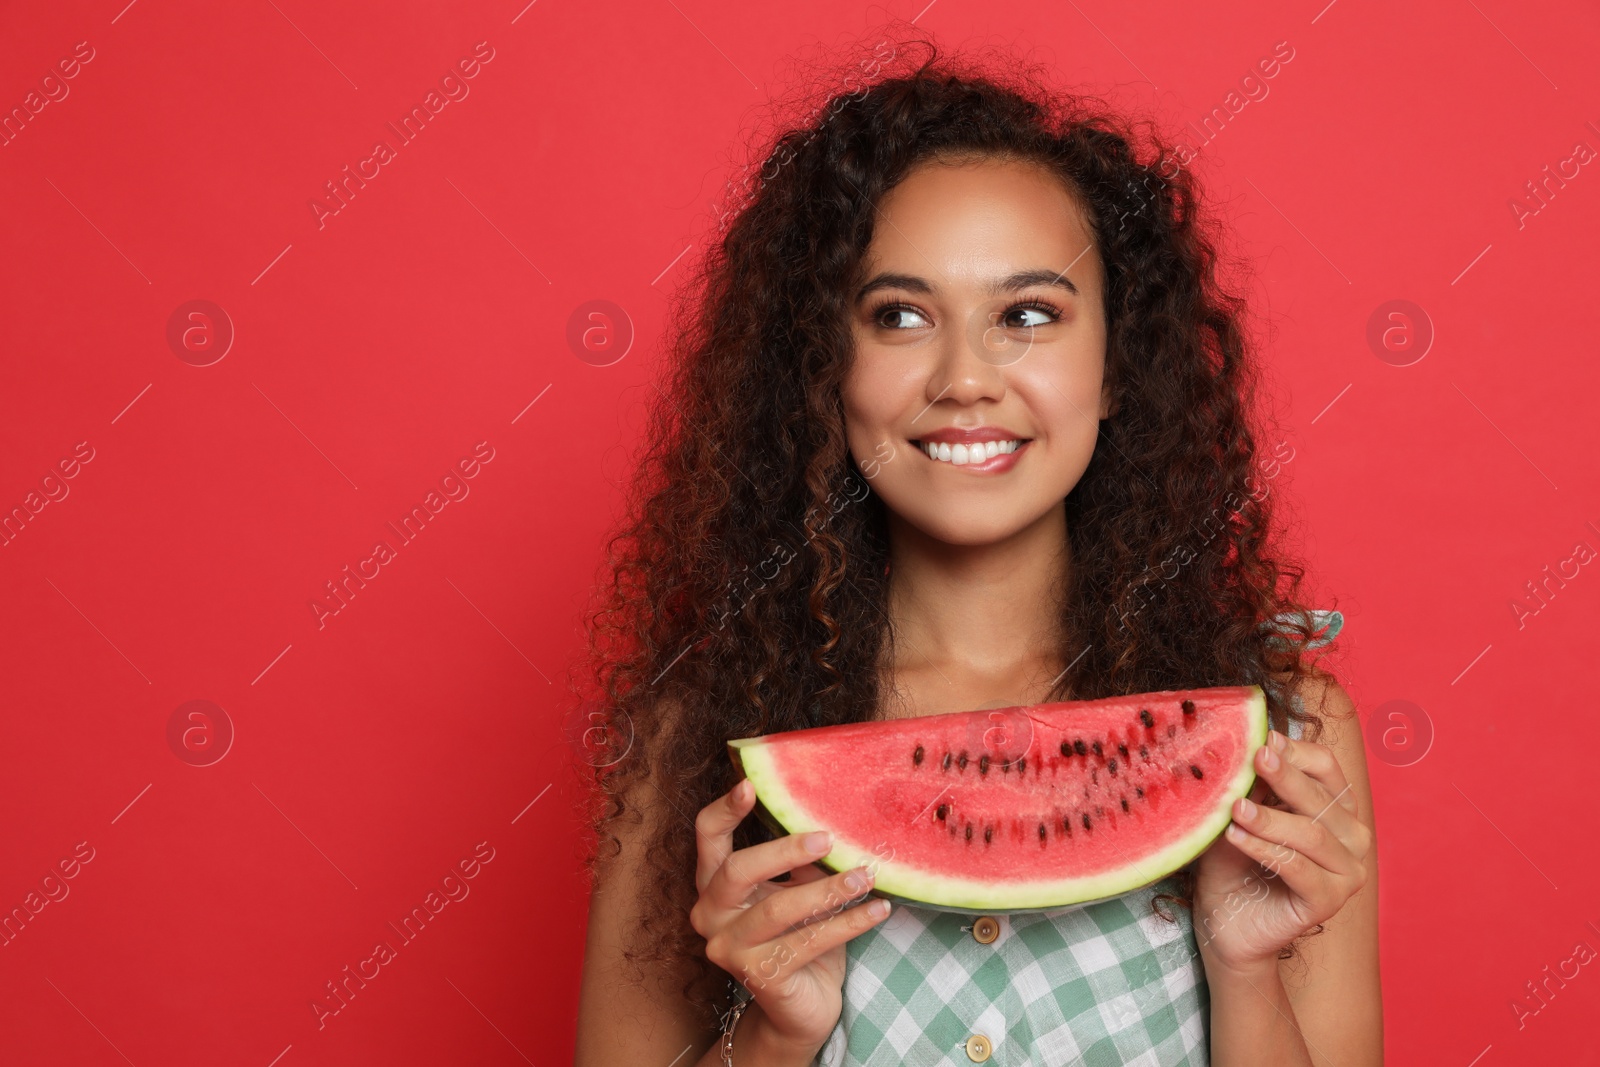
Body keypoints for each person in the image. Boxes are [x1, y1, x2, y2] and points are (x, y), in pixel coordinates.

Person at [574, 35, 1380, 1067]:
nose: (966, 377)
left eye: (1028, 314)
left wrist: (1244, 966)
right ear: (824, 367)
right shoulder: (699, 736)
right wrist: (773, 1034)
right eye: (899, 314)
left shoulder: (1287, 737)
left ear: (1117, 362)